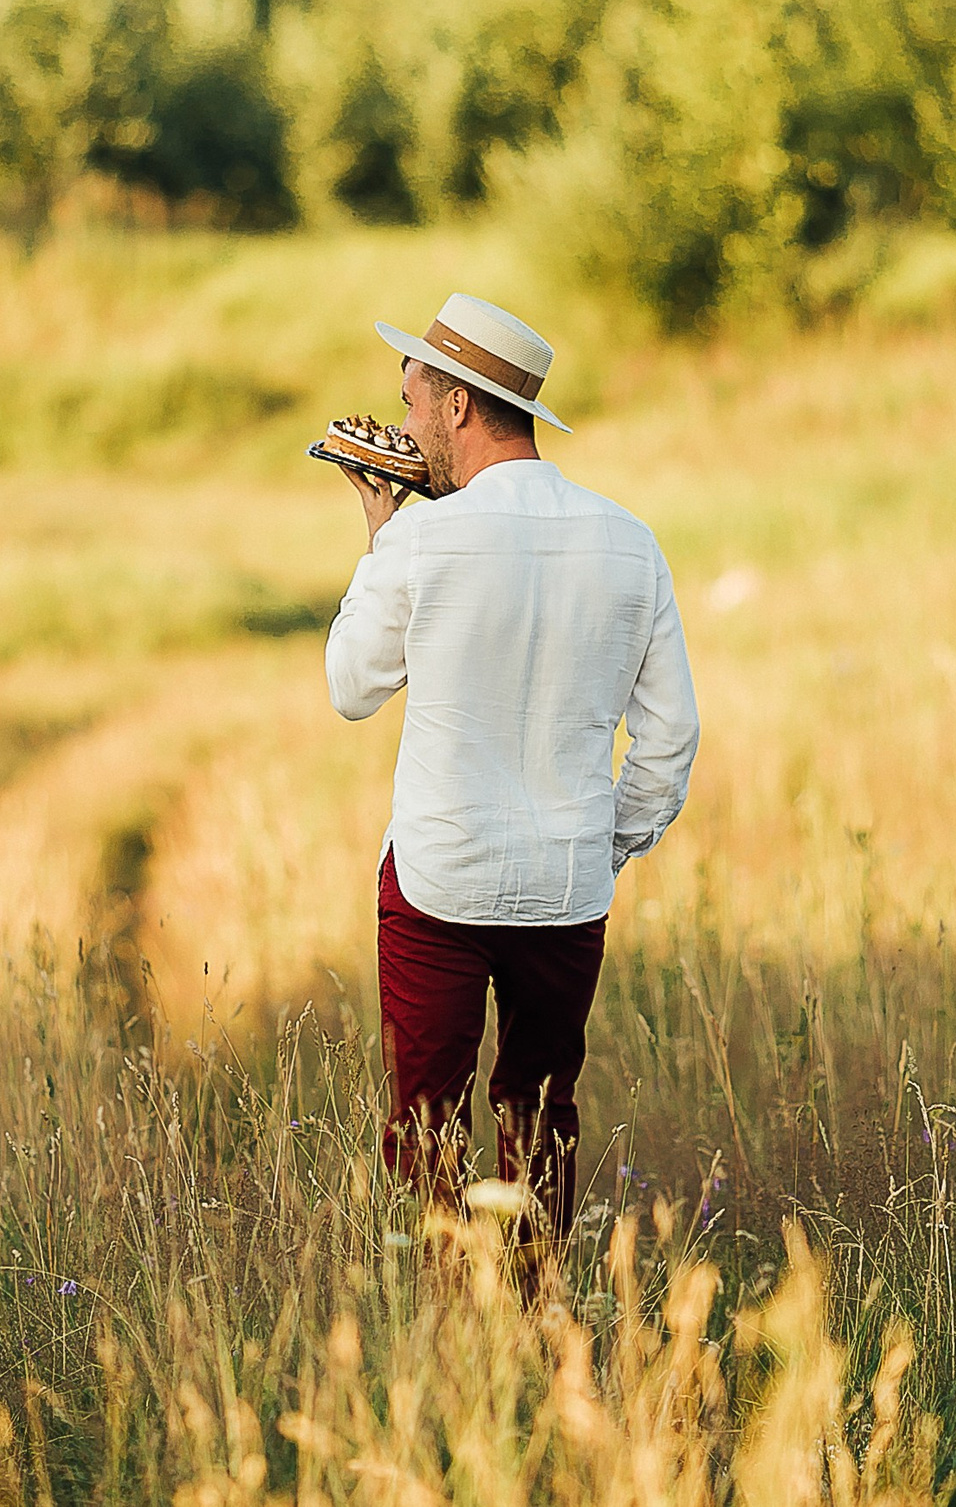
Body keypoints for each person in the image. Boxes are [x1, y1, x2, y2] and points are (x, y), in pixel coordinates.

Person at [325, 292, 699, 1256]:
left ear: (456, 405)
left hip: (439, 882)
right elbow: (668, 742)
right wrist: (601, 845)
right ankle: (537, 1320)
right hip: (566, 886)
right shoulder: (630, 540)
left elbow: (353, 685)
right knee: (540, 1111)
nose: (402, 419)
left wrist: (381, 533)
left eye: (411, 396)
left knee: (425, 1124)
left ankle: (456, 1338)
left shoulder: (423, 536)